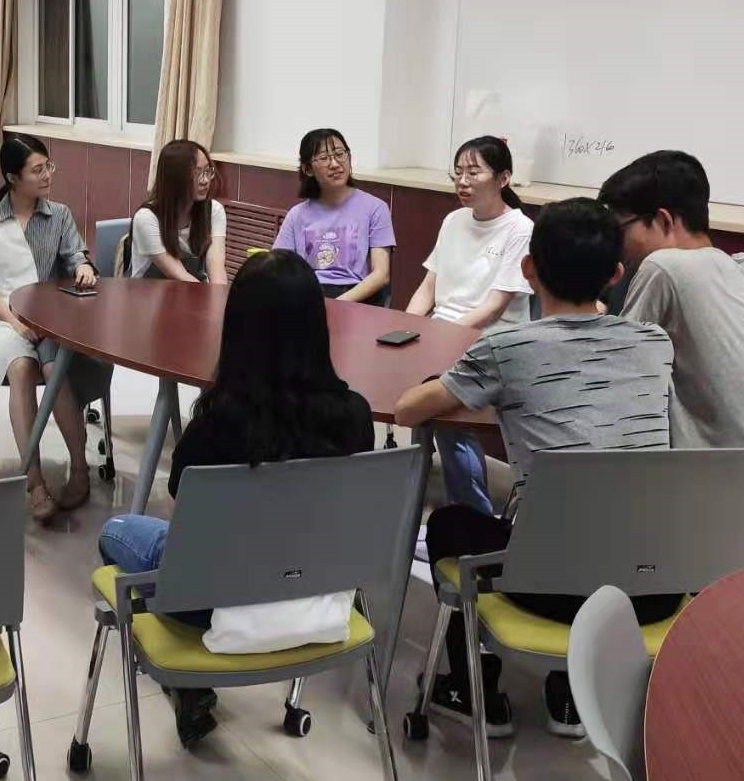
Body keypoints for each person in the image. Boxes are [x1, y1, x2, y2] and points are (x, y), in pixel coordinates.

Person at [395, 197, 677, 739]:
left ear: (528, 269)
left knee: (451, 522)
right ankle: (570, 695)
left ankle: (473, 691)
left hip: (549, 585)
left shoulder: (506, 347)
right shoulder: (654, 343)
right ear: (616, 275)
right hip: (653, 586)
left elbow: (409, 410)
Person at [98, 251, 374, 747]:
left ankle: (189, 682)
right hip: (316, 598)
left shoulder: (216, 425)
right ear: (317, 324)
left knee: (116, 532)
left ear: (238, 329)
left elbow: (187, 532)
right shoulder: (355, 416)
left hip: (212, 604)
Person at [0, 134, 105, 521]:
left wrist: (83, 266)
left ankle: (80, 469)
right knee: (21, 369)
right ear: (12, 177)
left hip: (49, 318)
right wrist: (15, 324)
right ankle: (34, 481)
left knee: (55, 369)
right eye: (37, 170)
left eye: (48, 166)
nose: (47, 175)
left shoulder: (59, 215)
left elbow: (75, 254)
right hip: (2, 318)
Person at [599, 151, 744, 452]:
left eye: (621, 228)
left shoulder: (665, 266)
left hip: (718, 475)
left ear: (663, 220)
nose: (617, 244)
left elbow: (613, 376)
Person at [406, 136, 535, 515]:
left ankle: (473, 514)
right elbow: (428, 286)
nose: (462, 181)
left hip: (490, 343)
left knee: (445, 415)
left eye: (473, 172)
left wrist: (439, 338)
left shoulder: (519, 229)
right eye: (458, 172)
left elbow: (494, 307)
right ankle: (416, 492)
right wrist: (407, 327)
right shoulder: (453, 221)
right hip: (442, 337)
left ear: (503, 178)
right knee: (416, 404)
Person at [272, 128, 395, 303]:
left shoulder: (375, 208)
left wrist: (335, 304)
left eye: (339, 154)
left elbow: (381, 275)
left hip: (356, 297)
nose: (335, 164)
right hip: (309, 295)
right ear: (308, 169)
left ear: (349, 157)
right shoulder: (296, 215)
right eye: (324, 158)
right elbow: (278, 269)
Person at [128, 139, 227, 283]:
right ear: (174, 178)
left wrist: (220, 294)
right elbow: (180, 276)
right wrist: (209, 295)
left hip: (197, 289)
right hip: (150, 294)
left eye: (207, 171)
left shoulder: (214, 210)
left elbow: (217, 268)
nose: (205, 180)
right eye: (197, 173)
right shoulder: (146, 218)